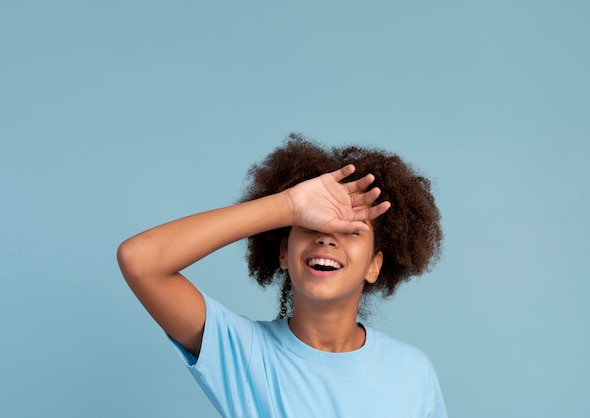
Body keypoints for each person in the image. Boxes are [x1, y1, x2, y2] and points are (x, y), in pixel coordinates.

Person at [117, 133, 448, 417]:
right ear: (283, 253)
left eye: (351, 231)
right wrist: (288, 205)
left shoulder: (412, 372)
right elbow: (140, 260)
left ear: (375, 265)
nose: (326, 237)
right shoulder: (242, 352)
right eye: (309, 226)